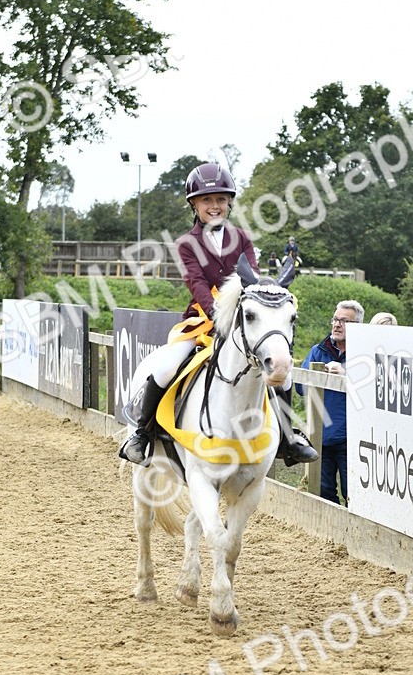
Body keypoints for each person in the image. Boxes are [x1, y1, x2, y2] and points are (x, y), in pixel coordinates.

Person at [119, 162, 317, 467]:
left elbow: (250, 277)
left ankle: (288, 439)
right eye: (207, 200)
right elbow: (195, 282)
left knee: (283, 374)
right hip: (203, 320)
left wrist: (242, 313)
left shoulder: (243, 238)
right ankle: (142, 435)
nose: (215, 206)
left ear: (229, 203)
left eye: (221, 200)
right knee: (167, 366)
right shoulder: (186, 243)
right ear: (194, 204)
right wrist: (217, 314)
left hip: (241, 321)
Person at [299, 299, 364, 504]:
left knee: (353, 494)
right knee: (324, 492)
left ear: (358, 327)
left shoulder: (365, 354)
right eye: (335, 319)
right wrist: (316, 375)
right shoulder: (318, 351)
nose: (337, 325)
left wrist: (346, 374)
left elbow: (372, 392)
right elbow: (300, 388)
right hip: (321, 437)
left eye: (344, 321)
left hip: (352, 438)